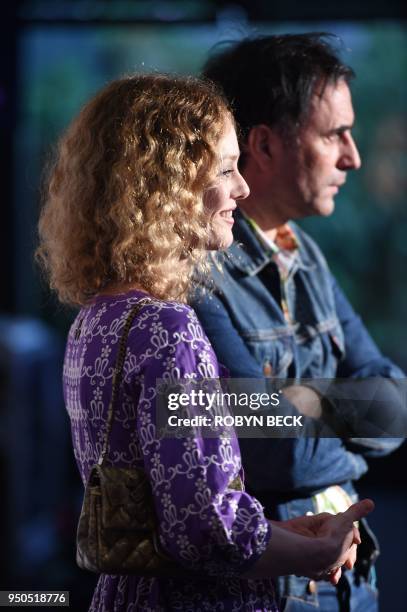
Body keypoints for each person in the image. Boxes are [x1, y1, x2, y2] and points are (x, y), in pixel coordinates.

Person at [36, 73, 374, 612]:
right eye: (224, 168)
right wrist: (310, 550)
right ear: (165, 185)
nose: (242, 187)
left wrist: (280, 523)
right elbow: (213, 527)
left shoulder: (96, 318)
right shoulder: (168, 326)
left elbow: (175, 508)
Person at [192, 33, 405, 611]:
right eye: (335, 133)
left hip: (353, 582)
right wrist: (360, 433)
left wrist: (300, 412)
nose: (353, 156)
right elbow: (270, 448)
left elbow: (397, 403)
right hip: (272, 593)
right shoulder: (192, 272)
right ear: (261, 144)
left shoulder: (305, 254)